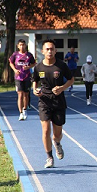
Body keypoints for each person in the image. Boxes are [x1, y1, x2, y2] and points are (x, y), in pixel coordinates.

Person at [32, 39, 74, 169]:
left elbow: (71, 79)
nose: (50, 51)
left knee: (57, 133)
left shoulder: (61, 66)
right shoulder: (38, 67)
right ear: (43, 51)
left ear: (55, 51)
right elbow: (35, 82)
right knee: (45, 130)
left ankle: (57, 143)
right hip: (44, 101)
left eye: (52, 49)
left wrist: (62, 87)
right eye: (47, 49)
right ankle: (49, 158)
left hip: (58, 102)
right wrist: (35, 91)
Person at [9, 39, 36, 120]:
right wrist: (15, 70)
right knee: (20, 94)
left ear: (25, 45)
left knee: (26, 94)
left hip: (27, 77)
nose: (22, 46)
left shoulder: (29, 55)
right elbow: (10, 62)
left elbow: (34, 63)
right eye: (20, 45)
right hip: (18, 78)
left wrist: (29, 67)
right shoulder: (15, 54)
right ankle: (20, 113)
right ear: (18, 46)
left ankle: (25, 109)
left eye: (23, 45)